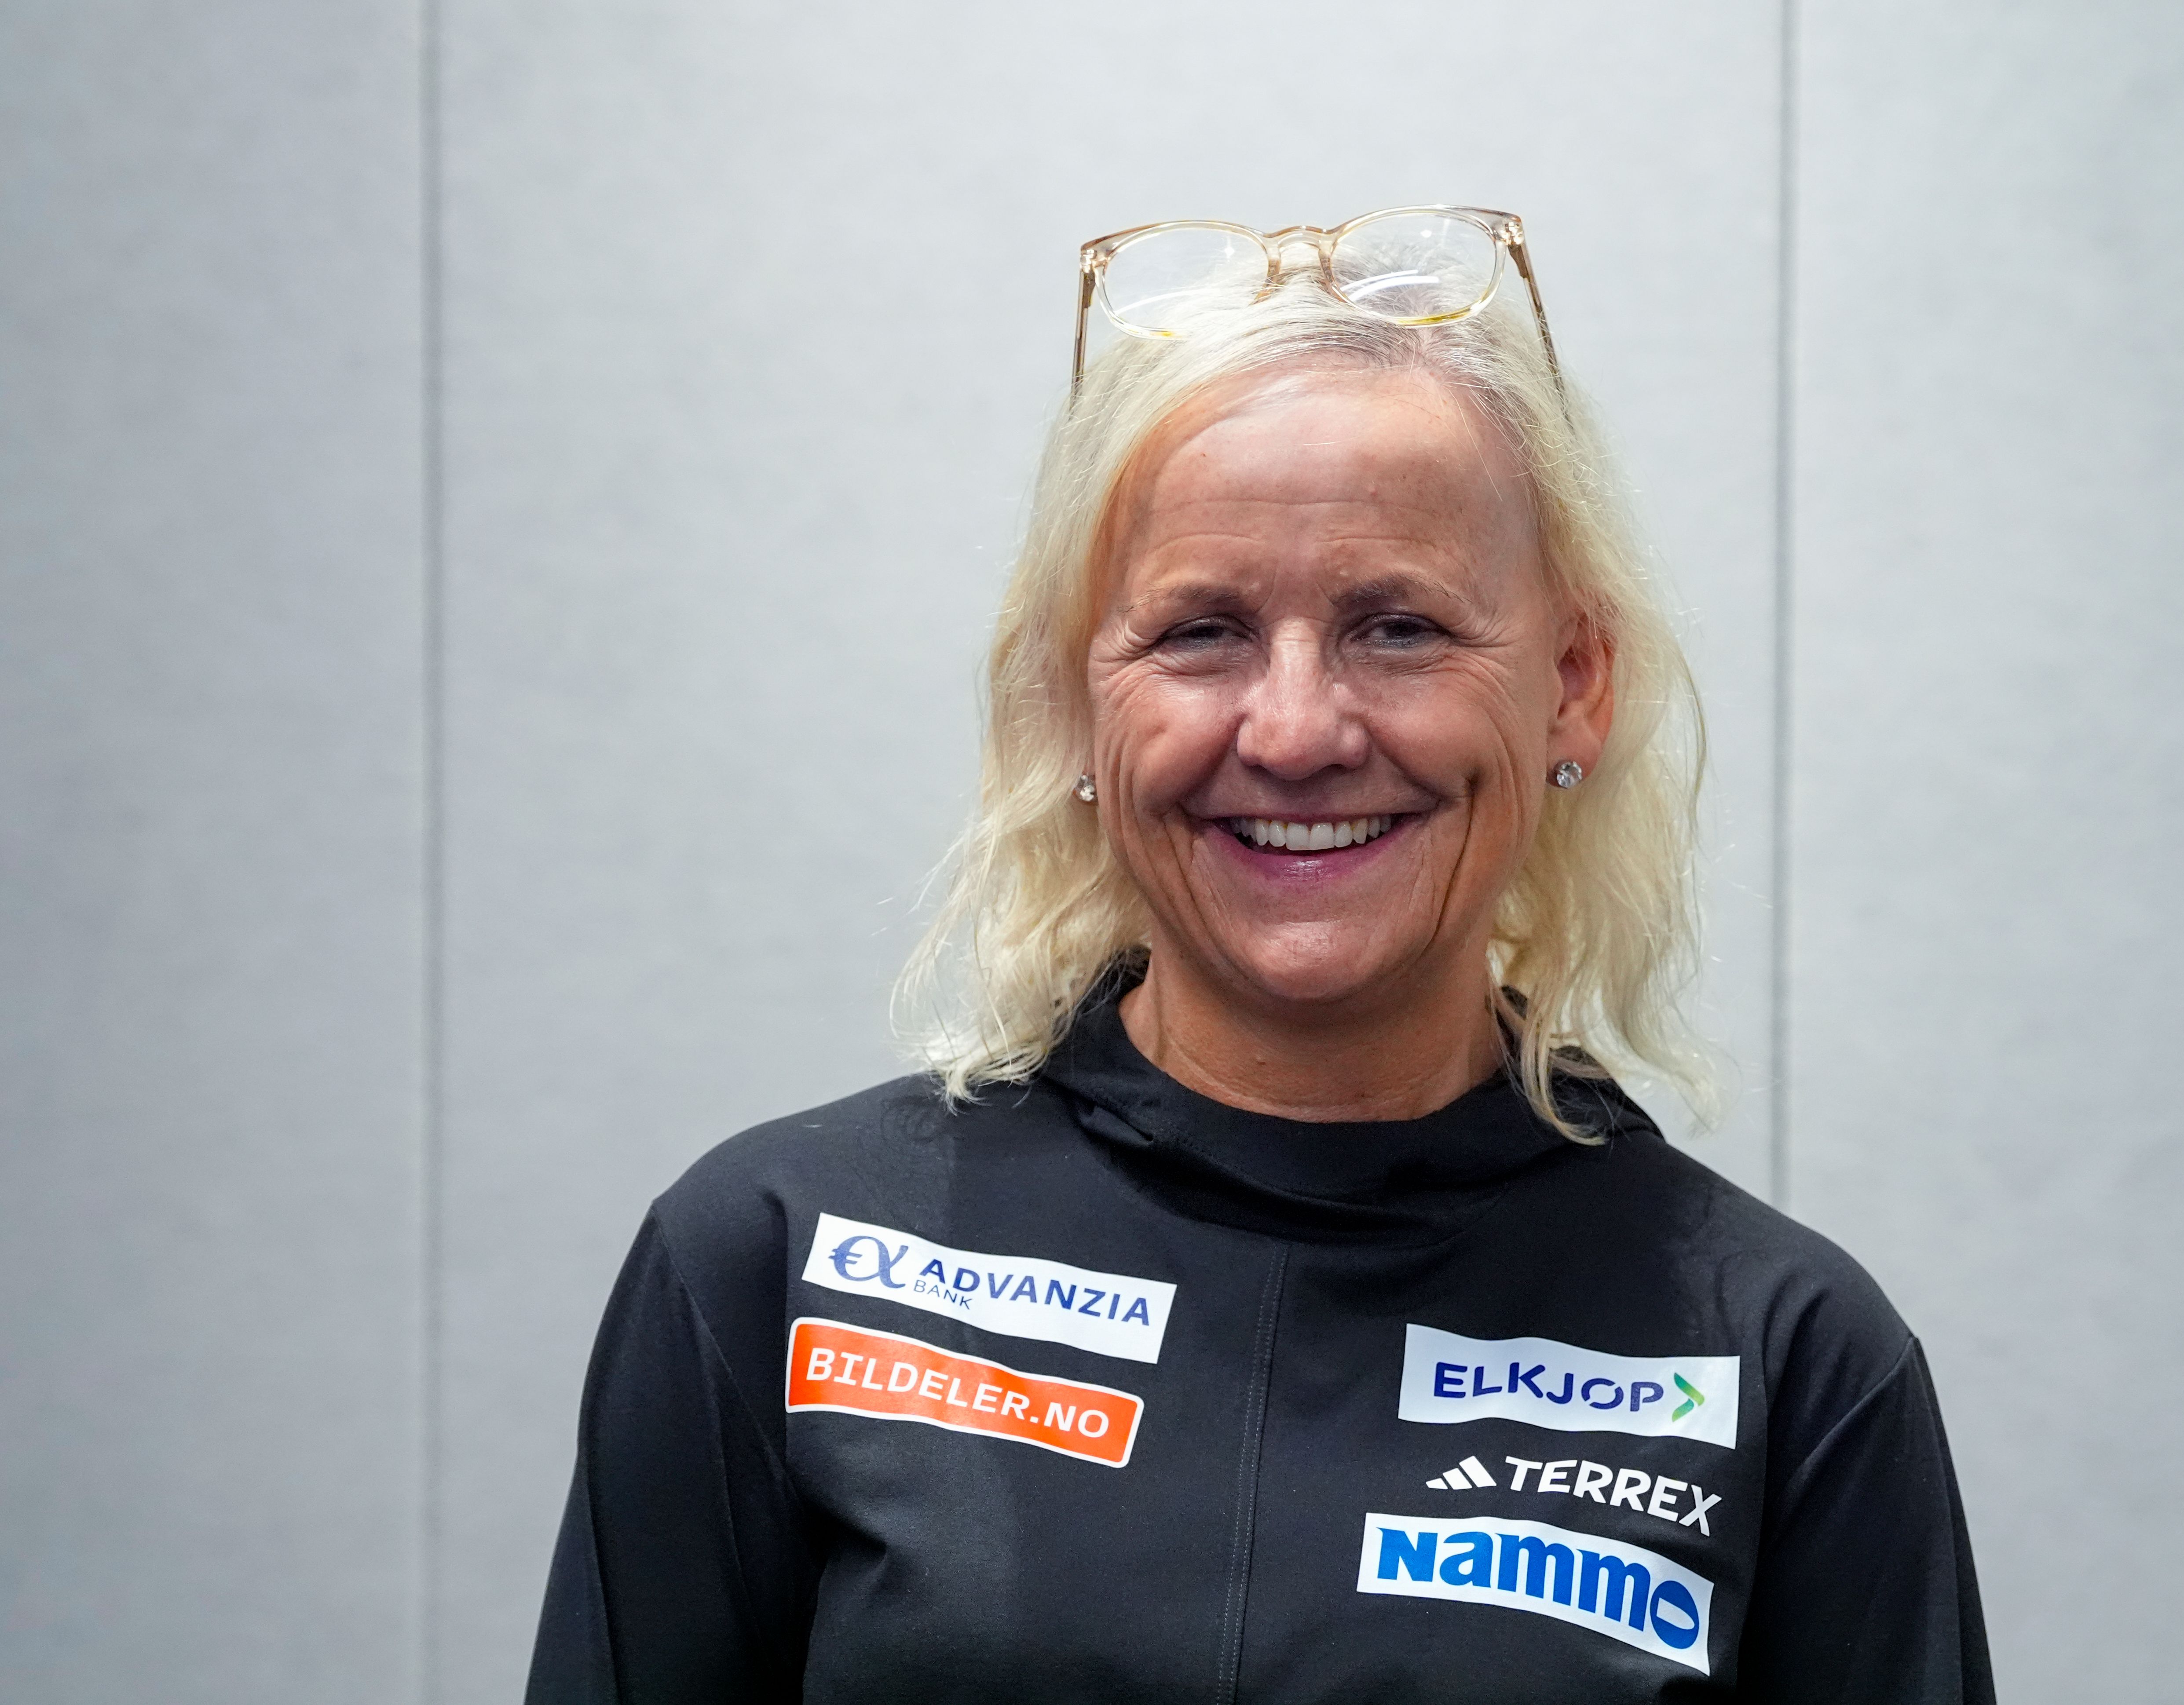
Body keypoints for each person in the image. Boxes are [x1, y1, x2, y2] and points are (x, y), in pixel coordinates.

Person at [527, 207, 1993, 1703]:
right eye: (1201, 633)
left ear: (1572, 682)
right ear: (1072, 700)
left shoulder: (1786, 1361)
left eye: (1400, 628)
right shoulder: (779, 1263)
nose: (1295, 731)